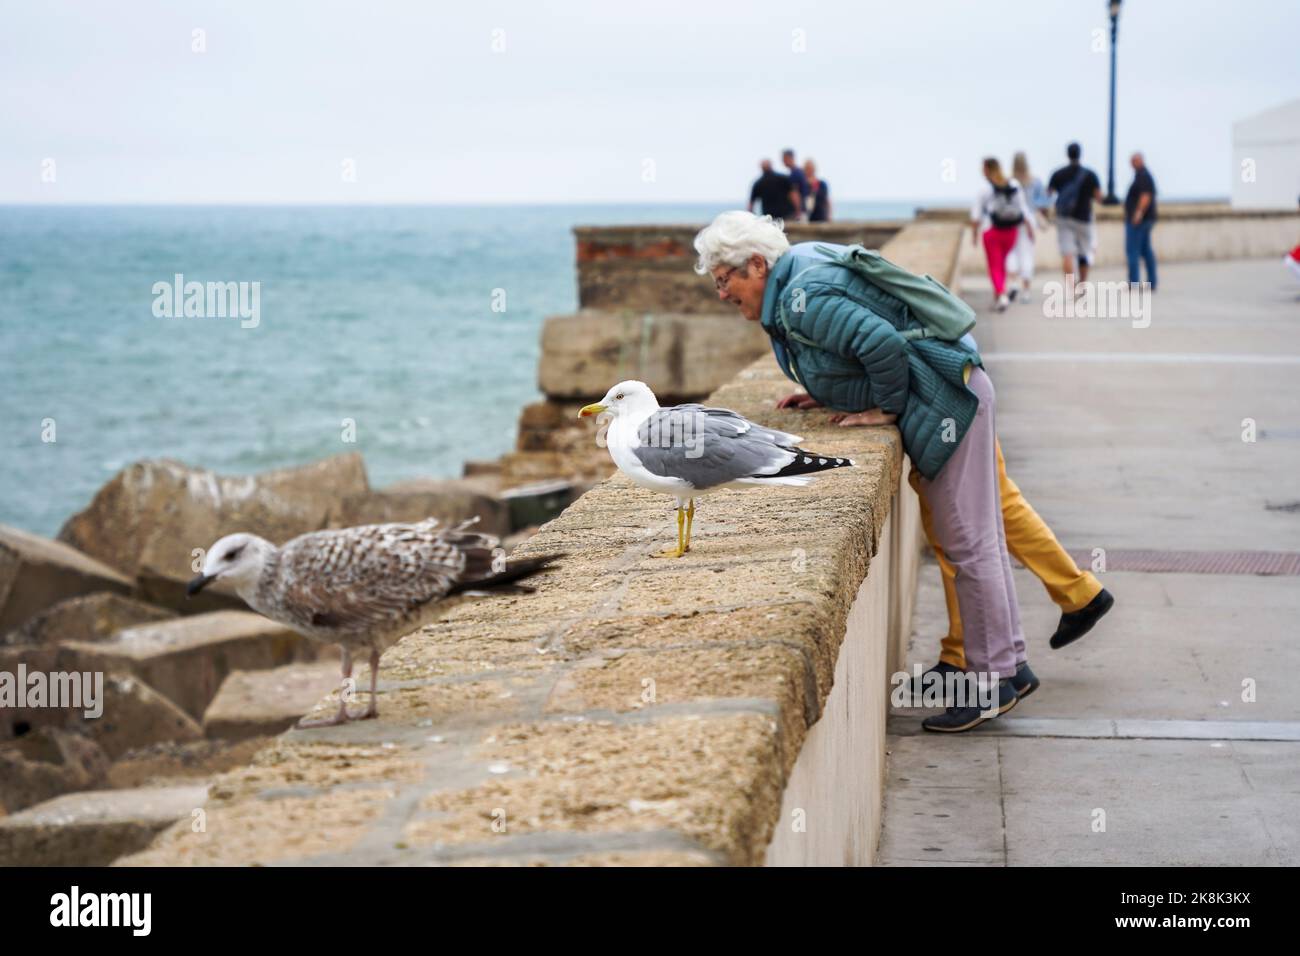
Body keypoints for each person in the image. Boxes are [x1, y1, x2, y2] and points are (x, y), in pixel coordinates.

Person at [694, 210, 1029, 732]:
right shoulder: (800, 271)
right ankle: (1011, 664)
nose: (721, 293)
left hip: (948, 400)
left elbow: (882, 345)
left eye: (724, 280)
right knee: (979, 535)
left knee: (967, 540)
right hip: (960, 385)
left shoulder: (799, 298)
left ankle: (991, 683)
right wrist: (825, 392)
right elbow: (852, 346)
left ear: (757, 265)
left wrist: (886, 410)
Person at [971, 157, 1035, 312]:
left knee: (995, 266)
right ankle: (998, 297)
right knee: (1002, 265)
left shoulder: (985, 190)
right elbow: (1023, 208)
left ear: (986, 169)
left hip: (992, 231)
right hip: (1011, 231)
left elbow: (976, 215)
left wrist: (974, 235)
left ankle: (1001, 296)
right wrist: (1029, 227)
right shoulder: (1013, 184)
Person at [1047, 142, 1103, 286]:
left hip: (1064, 218)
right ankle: (1082, 283)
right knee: (1084, 252)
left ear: (1067, 154)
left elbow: (1048, 193)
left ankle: (1071, 287)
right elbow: (1099, 197)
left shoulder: (1058, 173)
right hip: (1084, 217)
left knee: (1067, 253)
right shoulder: (1090, 174)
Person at [1007, 151, 1048, 303]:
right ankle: (1025, 291)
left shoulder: (1009, 181)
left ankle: (1013, 283)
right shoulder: (1035, 181)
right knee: (1027, 255)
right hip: (1029, 220)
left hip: (1011, 220)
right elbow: (1042, 203)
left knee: (1011, 253)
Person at [1124, 152, 1158, 290]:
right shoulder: (1141, 176)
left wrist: (1138, 213)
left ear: (1140, 161)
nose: (1133, 164)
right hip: (1146, 219)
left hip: (1140, 220)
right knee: (1145, 250)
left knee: (1133, 251)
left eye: (1135, 161)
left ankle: (1134, 282)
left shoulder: (1143, 176)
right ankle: (1151, 281)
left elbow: (1145, 196)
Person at [782, 149, 810, 221]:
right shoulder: (800, 171)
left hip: (799, 211)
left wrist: (798, 212)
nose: (783, 161)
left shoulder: (794, 174)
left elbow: (795, 194)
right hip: (804, 208)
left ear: (789, 158)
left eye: (784, 159)